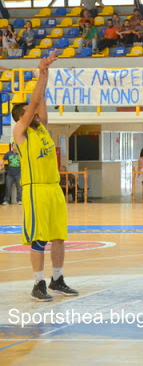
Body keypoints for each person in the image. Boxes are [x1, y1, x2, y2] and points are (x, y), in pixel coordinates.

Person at [12, 50, 78, 301]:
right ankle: (38, 283)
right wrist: (40, 72)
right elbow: (34, 102)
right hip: (35, 189)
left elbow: (40, 102)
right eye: (31, 112)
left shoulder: (42, 129)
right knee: (38, 238)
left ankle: (57, 279)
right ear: (22, 117)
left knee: (59, 236)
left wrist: (46, 72)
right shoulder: (21, 132)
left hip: (53, 188)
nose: (37, 114)